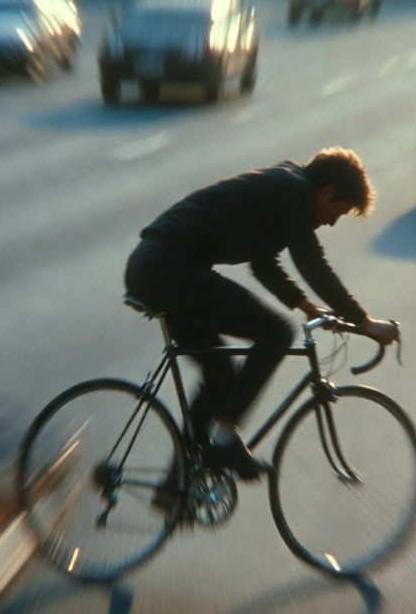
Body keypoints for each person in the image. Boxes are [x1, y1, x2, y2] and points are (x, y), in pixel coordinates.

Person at [124, 147, 400, 481]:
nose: (331, 222)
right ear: (326, 191)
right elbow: (312, 263)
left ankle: (176, 486)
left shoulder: (285, 191)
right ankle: (224, 441)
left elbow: (264, 264)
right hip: (170, 268)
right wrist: (365, 322)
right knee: (277, 333)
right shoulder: (293, 190)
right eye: (336, 213)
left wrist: (310, 308)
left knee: (220, 374)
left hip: (154, 267)